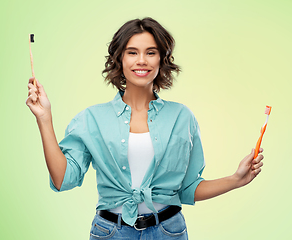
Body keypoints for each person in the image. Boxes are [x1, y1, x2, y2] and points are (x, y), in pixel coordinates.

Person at [26, 17, 264, 240]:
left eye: (151, 52)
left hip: (169, 231)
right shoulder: (91, 119)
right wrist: (44, 118)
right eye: (132, 52)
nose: (142, 60)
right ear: (120, 59)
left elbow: (189, 189)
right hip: (111, 232)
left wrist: (236, 179)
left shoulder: (182, 117)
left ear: (162, 59)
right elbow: (62, 179)